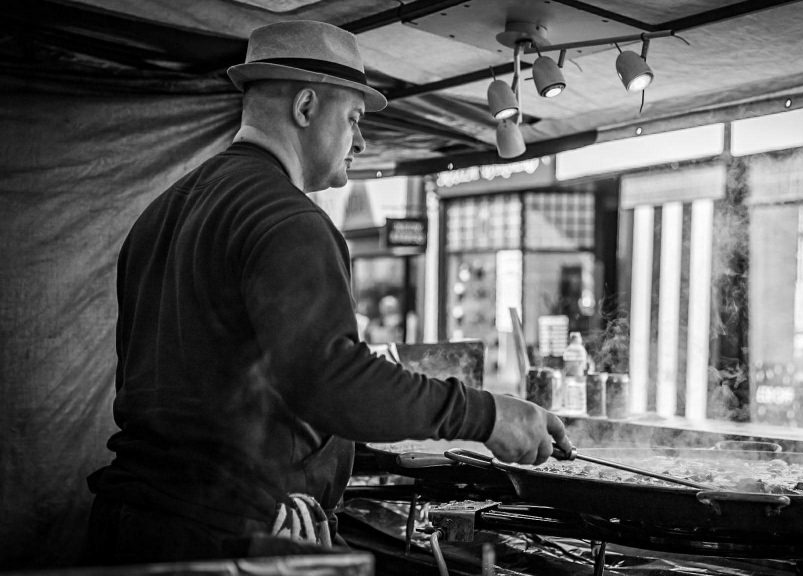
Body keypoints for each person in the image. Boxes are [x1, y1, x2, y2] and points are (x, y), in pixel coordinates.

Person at [84, 20, 571, 565]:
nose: (361, 141)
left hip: (128, 524)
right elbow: (333, 381)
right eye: (354, 118)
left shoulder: (158, 215)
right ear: (306, 106)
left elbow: (208, 385)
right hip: (224, 541)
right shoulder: (288, 218)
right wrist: (486, 415)